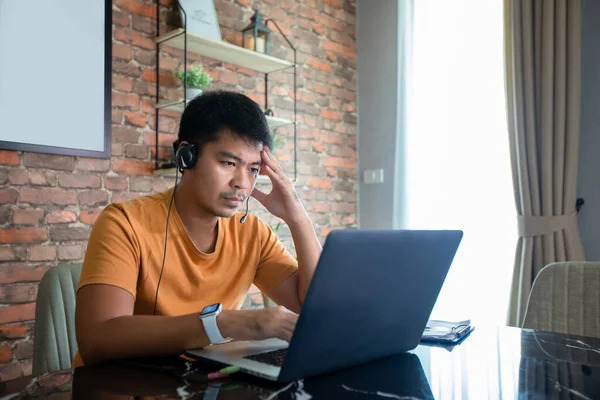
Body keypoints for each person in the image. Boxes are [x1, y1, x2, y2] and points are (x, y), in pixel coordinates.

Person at [73, 90, 322, 366]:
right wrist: (221, 323)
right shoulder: (124, 224)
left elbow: (314, 308)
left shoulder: (253, 234)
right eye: (229, 163)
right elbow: (97, 338)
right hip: (120, 386)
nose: (242, 182)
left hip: (200, 385)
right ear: (186, 156)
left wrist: (298, 217)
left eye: (253, 169)